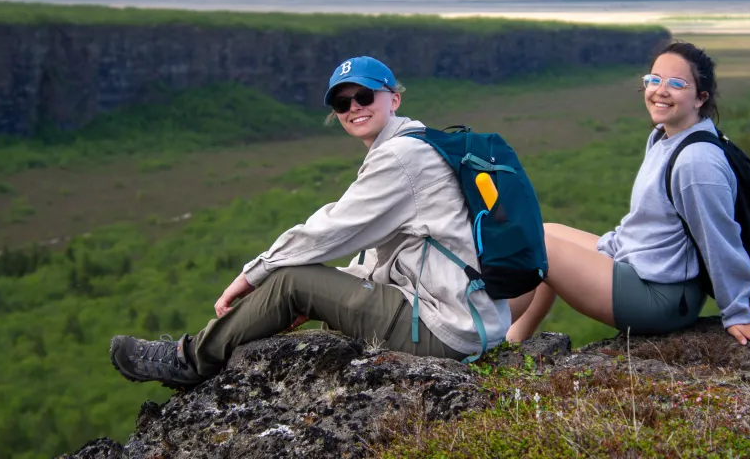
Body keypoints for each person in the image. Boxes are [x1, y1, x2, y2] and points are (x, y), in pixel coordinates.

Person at [110, 56, 511, 388]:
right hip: (464, 319)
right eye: (342, 103)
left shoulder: (402, 157)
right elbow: (381, 258)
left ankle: (190, 360)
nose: (354, 107)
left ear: (395, 99)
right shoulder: (419, 144)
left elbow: (332, 229)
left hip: (448, 332)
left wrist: (255, 274)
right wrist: (328, 293)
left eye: (365, 95)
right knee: (305, 281)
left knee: (291, 280)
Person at [506, 41, 750, 352]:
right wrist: (609, 248)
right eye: (654, 80)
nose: (661, 90)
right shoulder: (665, 136)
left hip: (661, 297)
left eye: (676, 84)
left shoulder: (697, 163)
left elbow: (719, 239)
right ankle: (514, 343)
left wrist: (737, 313)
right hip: (646, 267)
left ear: (700, 98)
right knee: (542, 231)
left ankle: (486, 339)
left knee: (535, 246)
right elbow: (650, 223)